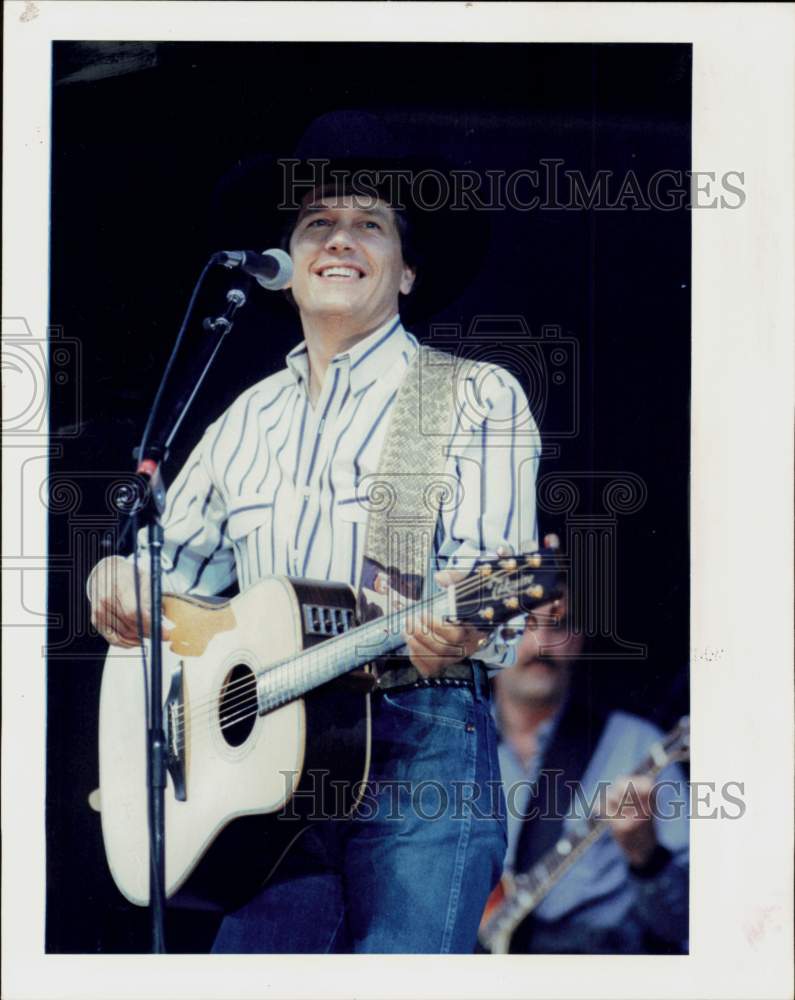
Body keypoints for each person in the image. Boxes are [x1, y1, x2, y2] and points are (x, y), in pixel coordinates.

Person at [87, 111, 541, 953]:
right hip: (259, 773)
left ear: (406, 273)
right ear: (285, 268)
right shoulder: (242, 417)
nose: (339, 239)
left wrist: (462, 628)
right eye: (316, 223)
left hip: (417, 745)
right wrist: (116, 581)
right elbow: (166, 578)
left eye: (369, 224)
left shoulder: (474, 395)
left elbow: (497, 600)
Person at [490, 588, 689, 953]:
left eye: (559, 625)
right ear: (488, 640)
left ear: (579, 638)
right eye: (524, 625)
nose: (543, 644)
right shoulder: (452, 747)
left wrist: (647, 857)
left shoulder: (636, 745)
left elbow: (687, 926)